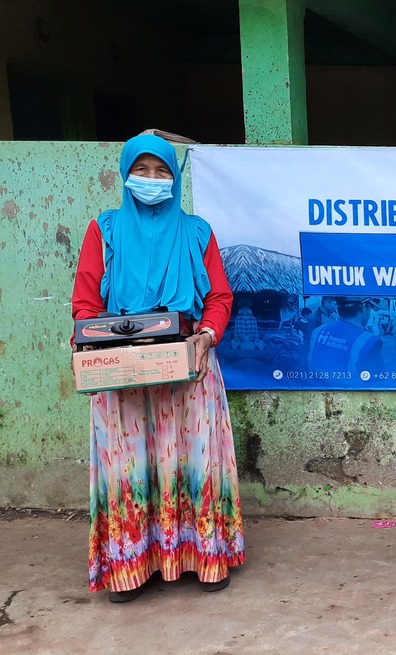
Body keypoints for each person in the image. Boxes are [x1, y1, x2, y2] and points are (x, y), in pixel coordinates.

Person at [70, 134, 244, 602]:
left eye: (161, 171)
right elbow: (86, 304)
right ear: (125, 175)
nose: (151, 180)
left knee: (194, 459)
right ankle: (131, 566)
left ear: (176, 178)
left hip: (189, 366)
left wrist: (206, 336)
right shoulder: (103, 231)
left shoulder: (197, 232)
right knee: (129, 466)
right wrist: (95, 348)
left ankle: (204, 557)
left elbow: (219, 298)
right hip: (122, 375)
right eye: (141, 170)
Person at [307, 297, 387, 374]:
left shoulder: (318, 331)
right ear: (364, 308)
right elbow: (378, 381)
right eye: (370, 308)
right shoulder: (369, 341)